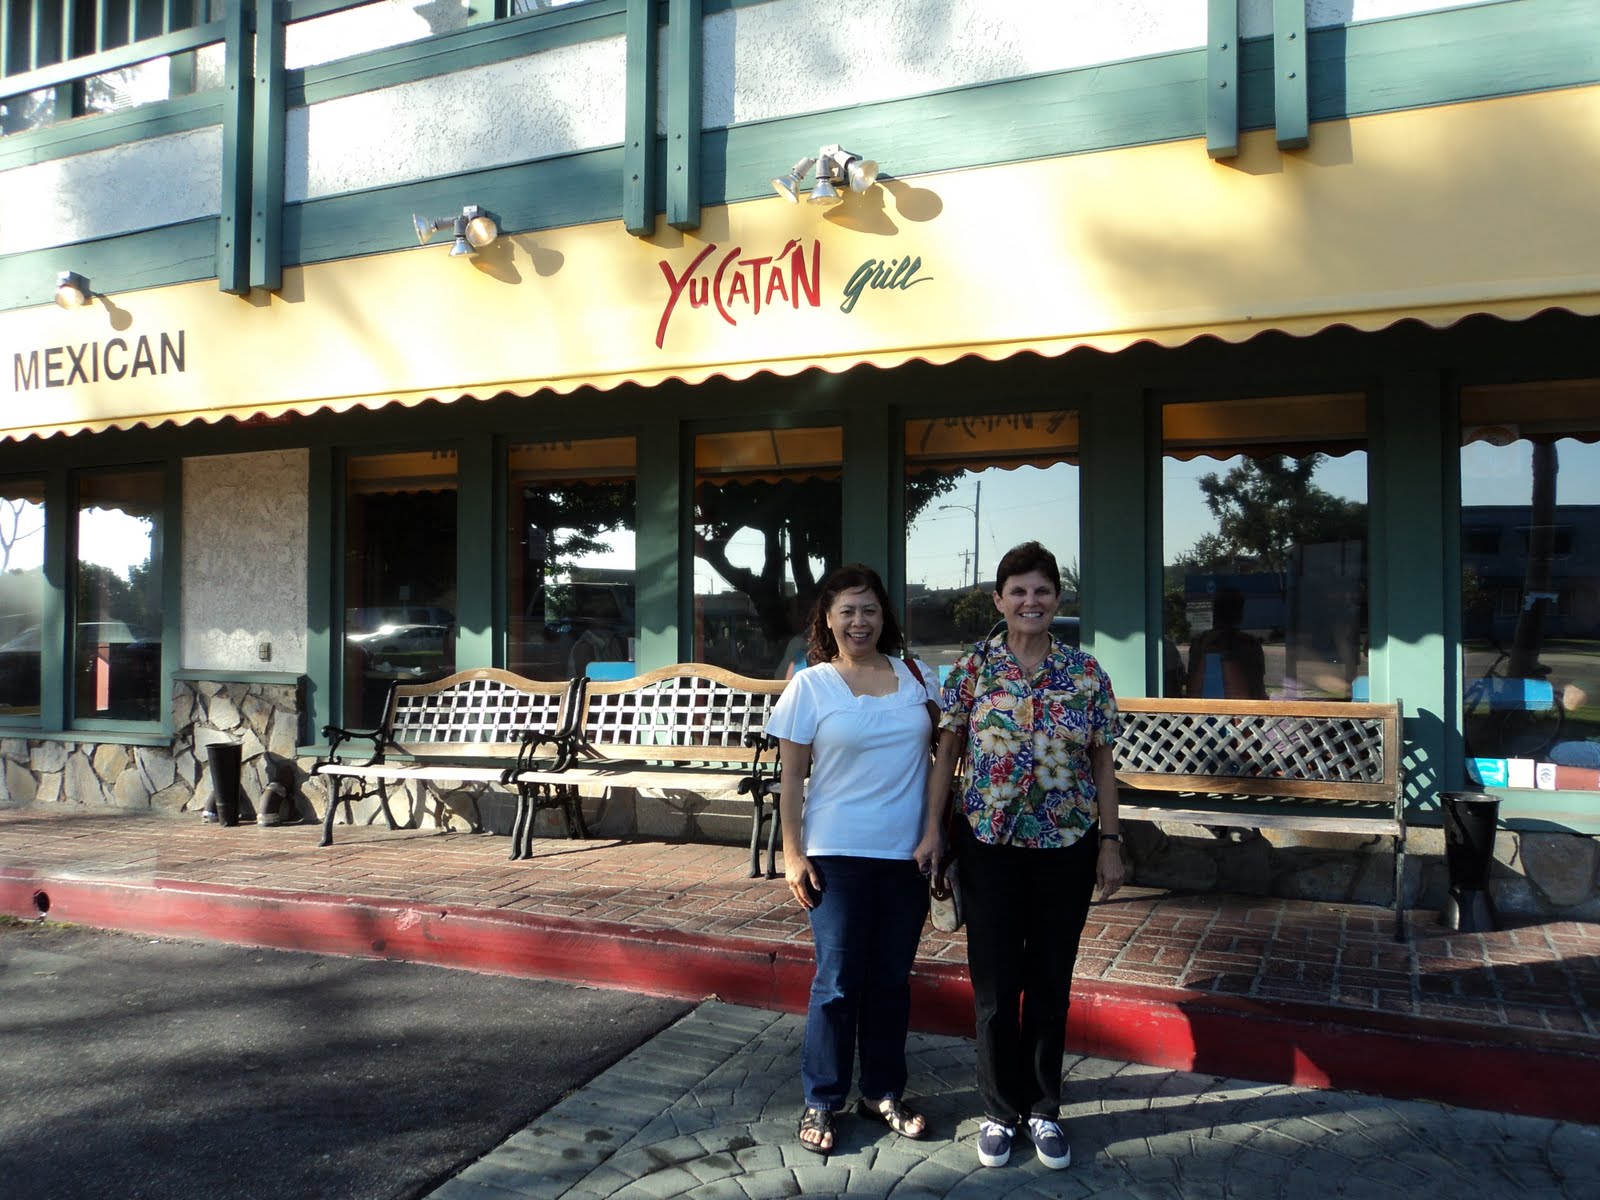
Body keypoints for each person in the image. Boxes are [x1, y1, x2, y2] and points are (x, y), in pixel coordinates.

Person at [918, 540, 1123, 1171]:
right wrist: (932, 830)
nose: (1030, 601)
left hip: (1066, 844)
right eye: (1018, 591)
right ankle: (1000, 1110)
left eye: (1042, 591)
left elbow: (1102, 762)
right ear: (999, 599)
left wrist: (1111, 843)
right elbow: (947, 754)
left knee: (1052, 982)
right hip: (989, 845)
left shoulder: (1085, 674)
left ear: (1058, 598)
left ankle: (1044, 1109)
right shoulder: (972, 670)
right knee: (996, 984)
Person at [768, 563, 943, 1155]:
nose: (859, 620)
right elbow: (792, 778)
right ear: (828, 618)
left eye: (869, 609)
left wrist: (934, 832)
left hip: (908, 855)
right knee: (838, 981)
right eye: (847, 610)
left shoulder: (918, 676)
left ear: (883, 616)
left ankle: (883, 1092)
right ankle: (822, 1098)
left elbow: (944, 759)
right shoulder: (810, 685)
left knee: (892, 980)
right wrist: (793, 855)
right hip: (836, 855)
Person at [1185, 585, 1267, 699]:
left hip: (1208, 710)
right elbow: (1257, 684)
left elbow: (1192, 686)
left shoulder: (1200, 642)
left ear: (1215, 612)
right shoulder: (1249, 644)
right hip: (1242, 710)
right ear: (1240, 613)